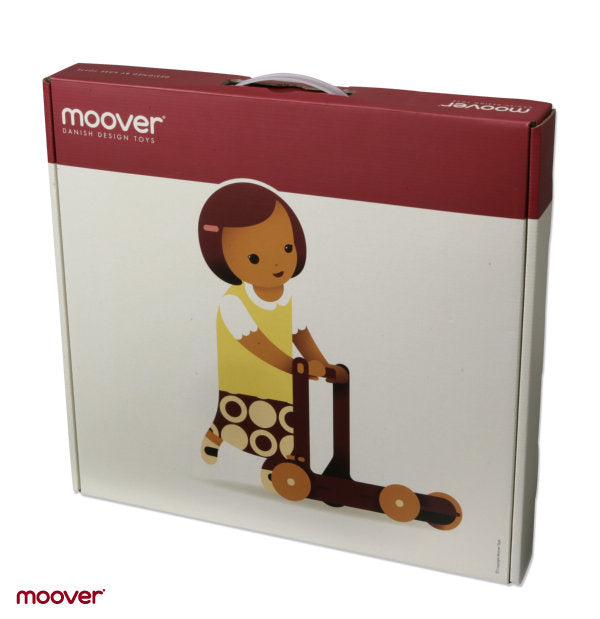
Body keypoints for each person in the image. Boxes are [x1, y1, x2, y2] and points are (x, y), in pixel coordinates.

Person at [198, 181, 347, 491]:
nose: (278, 263)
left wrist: (323, 364)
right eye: (254, 258)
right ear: (224, 259)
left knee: (287, 425)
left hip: (284, 380)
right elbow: (255, 343)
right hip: (246, 377)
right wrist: (291, 365)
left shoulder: (289, 298)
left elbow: (300, 333)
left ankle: (279, 464)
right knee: (236, 414)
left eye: (287, 249)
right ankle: (216, 435)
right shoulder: (234, 302)